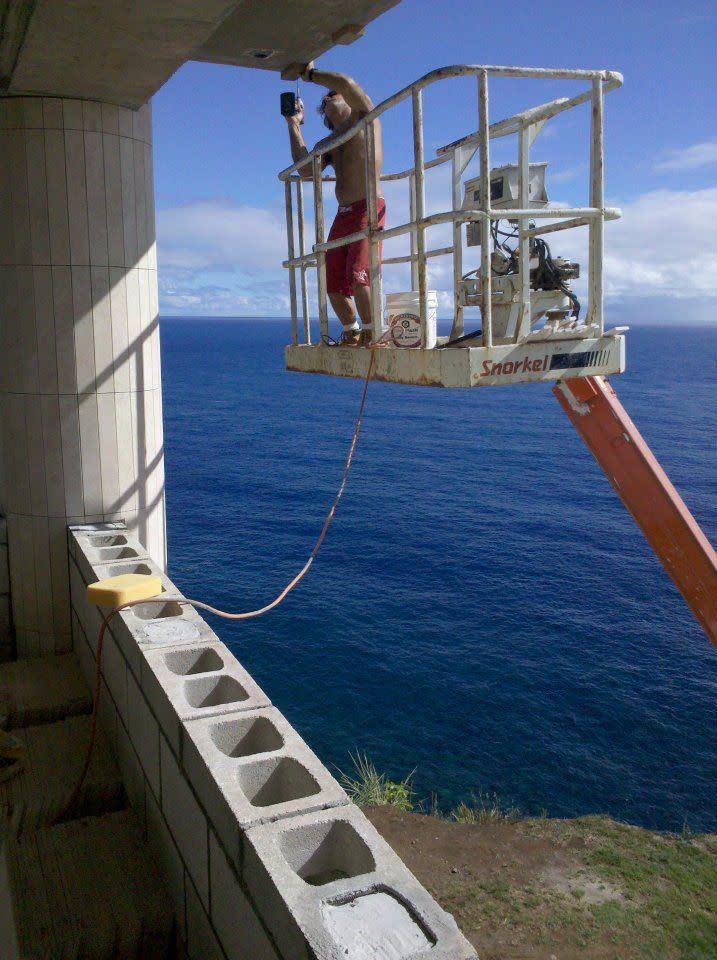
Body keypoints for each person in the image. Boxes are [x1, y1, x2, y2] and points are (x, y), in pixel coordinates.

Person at [282, 61, 385, 346]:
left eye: (332, 93)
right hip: (343, 214)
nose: (330, 96)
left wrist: (310, 75)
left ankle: (372, 332)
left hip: (368, 207)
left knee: (359, 276)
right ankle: (352, 331)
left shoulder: (365, 116)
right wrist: (294, 125)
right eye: (326, 98)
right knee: (332, 283)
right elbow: (306, 170)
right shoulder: (329, 143)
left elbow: (347, 84)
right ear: (325, 114)